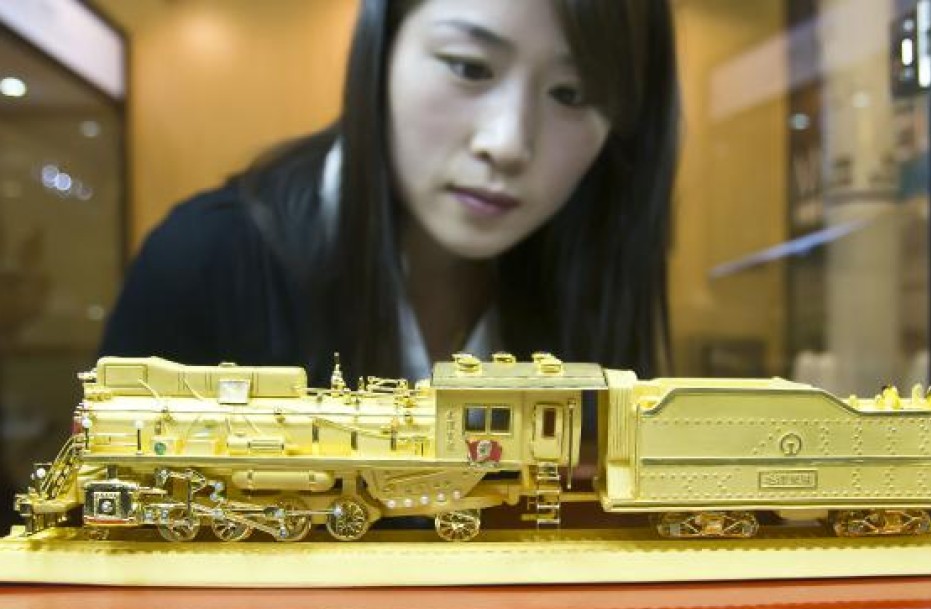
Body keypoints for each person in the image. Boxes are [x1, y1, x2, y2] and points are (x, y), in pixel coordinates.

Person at [100, 0, 680, 386]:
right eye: (470, 67)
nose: (507, 144)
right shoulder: (204, 261)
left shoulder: (592, 271)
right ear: (382, 52)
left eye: (572, 95)